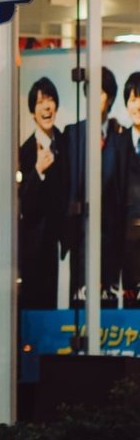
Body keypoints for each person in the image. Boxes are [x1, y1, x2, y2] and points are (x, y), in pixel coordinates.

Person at [63, 66, 128, 304]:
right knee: (79, 306)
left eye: (100, 92)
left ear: (109, 98)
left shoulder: (120, 137)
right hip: (80, 238)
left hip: (111, 240)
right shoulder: (72, 134)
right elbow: (65, 187)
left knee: (107, 308)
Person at [18, 76, 67, 309]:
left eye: (50, 100)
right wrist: (38, 171)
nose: (46, 107)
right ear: (32, 112)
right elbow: (24, 206)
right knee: (38, 309)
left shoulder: (67, 142)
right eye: (40, 102)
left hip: (65, 246)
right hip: (35, 249)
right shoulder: (24, 152)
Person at [119, 72, 140, 302]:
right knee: (131, 302)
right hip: (126, 241)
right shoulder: (119, 142)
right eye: (133, 99)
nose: (138, 105)